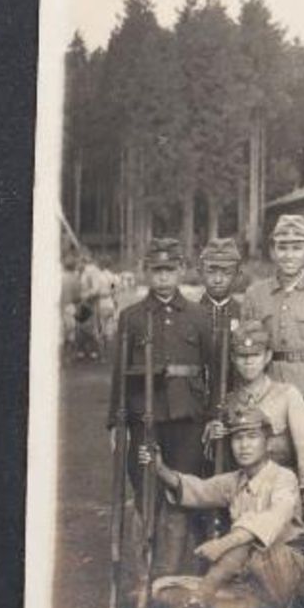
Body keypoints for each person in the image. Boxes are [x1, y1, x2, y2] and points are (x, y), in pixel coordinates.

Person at [140, 405, 304, 608]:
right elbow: (199, 490)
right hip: (247, 580)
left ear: (268, 442)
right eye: (237, 439)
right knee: (161, 589)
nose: (244, 446)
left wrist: (223, 544)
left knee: (245, 537)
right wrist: (160, 469)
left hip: (282, 569)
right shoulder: (234, 481)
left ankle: (197, 604)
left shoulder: (284, 478)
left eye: (252, 437)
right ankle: (236, 605)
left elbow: (271, 520)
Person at [110, 237, 215, 576]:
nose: (164, 277)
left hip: (188, 418)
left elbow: (213, 371)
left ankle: (175, 574)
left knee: (182, 489)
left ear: (181, 270)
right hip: (145, 418)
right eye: (157, 270)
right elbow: (119, 375)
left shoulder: (199, 317)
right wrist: (117, 423)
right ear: (147, 272)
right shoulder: (132, 318)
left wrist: (211, 417)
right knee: (145, 490)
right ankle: (145, 573)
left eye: (170, 269)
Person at [243, 213, 304, 443]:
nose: (289, 255)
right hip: (267, 392)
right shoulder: (255, 294)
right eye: (283, 247)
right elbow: (246, 351)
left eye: (297, 248)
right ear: (272, 252)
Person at [209, 322, 304, 499]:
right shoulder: (229, 402)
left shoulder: (287, 395)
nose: (249, 362)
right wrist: (213, 434)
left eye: (255, 355)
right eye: (242, 356)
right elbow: (222, 458)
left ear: (267, 356)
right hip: (240, 490)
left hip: (280, 486)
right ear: (233, 358)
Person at [197, 237, 246, 413]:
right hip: (198, 404)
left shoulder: (246, 315)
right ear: (200, 272)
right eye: (211, 272)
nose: (218, 279)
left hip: (238, 403)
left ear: (238, 275)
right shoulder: (191, 316)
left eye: (226, 273)